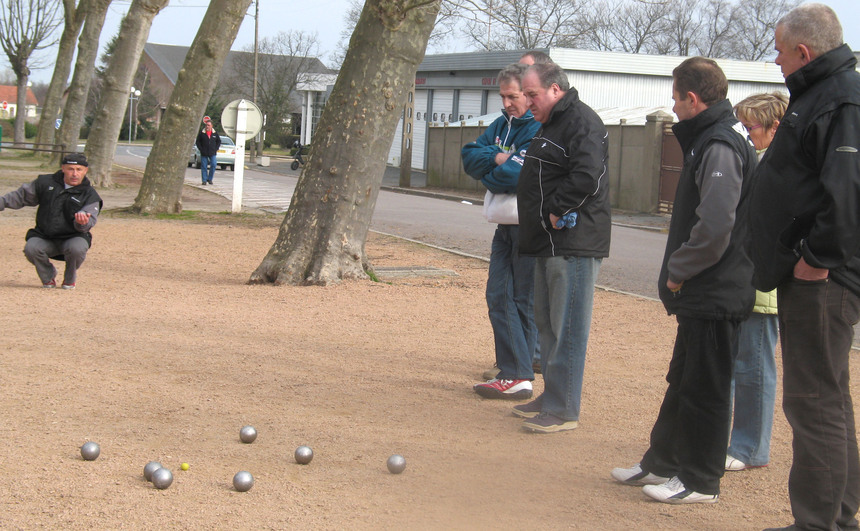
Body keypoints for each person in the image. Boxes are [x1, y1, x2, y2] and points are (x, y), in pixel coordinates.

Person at [611, 57, 756, 504]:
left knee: (707, 388)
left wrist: (678, 272)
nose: (672, 108)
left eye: (676, 99)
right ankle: (663, 462)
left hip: (716, 290)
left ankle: (700, 480)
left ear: (693, 98)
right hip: (704, 292)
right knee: (683, 379)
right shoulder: (708, 139)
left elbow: (715, 226)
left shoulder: (720, 144)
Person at [747, 5, 860, 530]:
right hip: (813, 274)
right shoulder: (820, 94)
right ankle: (837, 514)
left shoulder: (841, 99)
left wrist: (816, 261)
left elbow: (848, 193)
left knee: (813, 401)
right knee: (827, 397)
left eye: (778, 48)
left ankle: (819, 522)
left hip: (824, 280)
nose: (775, 58)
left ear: (803, 52)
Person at [512, 62, 610, 433]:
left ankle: (564, 408)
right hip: (547, 243)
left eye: (532, 94)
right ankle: (552, 396)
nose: (527, 101)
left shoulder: (583, 122)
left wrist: (555, 211)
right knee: (548, 326)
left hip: (573, 243)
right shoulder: (551, 124)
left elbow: (587, 176)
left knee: (567, 328)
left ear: (556, 90)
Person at [462, 63, 541, 400]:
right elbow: (469, 156)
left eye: (513, 96)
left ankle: (519, 373)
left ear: (528, 93)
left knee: (521, 299)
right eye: (503, 97)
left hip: (528, 225)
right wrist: (499, 158)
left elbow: (516, 176)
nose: (507, 103)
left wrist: (495, 167)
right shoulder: (500, 125)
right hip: (503, 225)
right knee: (498, 295)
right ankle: (513, 370)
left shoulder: (537, 127)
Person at [724, 92, 788, 473]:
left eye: (751, 128)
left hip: (763, 283)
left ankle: (750, 447)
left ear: (773, 127)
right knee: (738, 363)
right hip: (745, 277)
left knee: (754, 367)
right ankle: (735, 439)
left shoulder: (777, 167)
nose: (747, 136)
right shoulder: (760, 162)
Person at [0, 152, 102, 289]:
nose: (74, 174)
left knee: (77, 248)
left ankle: (69, 279)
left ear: (85, 171)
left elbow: (88, 224)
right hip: (45, 236)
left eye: (79, 170)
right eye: (71, 169)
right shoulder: (45, 183)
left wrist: (82, 223)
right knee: (31, 248)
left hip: (73, 237)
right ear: (63, 168)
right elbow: (19, 197)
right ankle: (48, 277)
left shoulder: (90, 195)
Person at [196, 118, 221, 185]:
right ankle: (204, 180)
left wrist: (216, 148)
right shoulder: (202, 133)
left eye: (209, 125)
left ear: (211, 126)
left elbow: (218, 141)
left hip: (212, 152)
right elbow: (198, 142)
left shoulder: (215, 134)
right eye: (206, 125)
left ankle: (210, 179)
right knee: (204, 166)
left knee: (213, 164)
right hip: (204, 152)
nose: (207, 126)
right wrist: (201, 149)